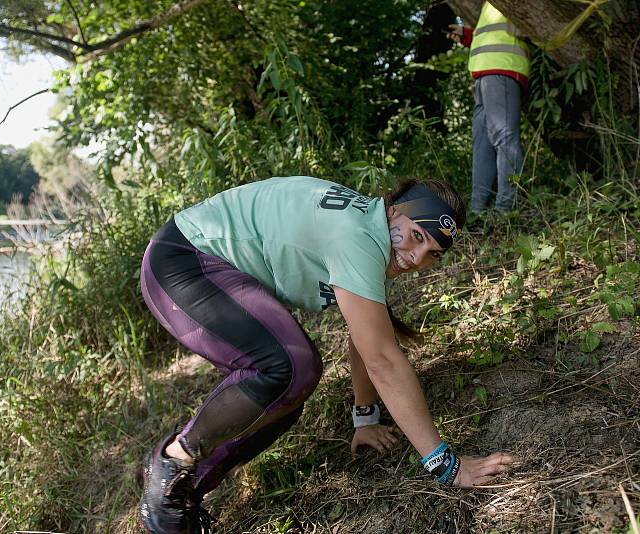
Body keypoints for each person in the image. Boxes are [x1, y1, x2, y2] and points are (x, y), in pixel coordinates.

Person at [138, 176, 514, 533]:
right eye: (416, 236)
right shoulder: (358, 237)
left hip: (191, 261)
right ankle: (174, 459)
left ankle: (179, 495)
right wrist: (448, 467)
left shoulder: (368, 230)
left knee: (286, 397)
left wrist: (364, 418)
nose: (416, 257)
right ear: (392, 210)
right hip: (182, 260)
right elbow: (383, 361)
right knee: (288, 367)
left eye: (431, 252)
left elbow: (365, 338)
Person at [449, 1, 530, 213]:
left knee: (504, 138)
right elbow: (491, 35)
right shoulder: (489, 5)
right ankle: (477, 211)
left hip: (503, 68)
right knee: (482, 144)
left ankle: (506, 208)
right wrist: (467, 35)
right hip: (484, 74)